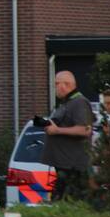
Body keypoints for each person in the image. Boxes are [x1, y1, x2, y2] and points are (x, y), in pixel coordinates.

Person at [41, 71, 93, 202]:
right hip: (63, 166)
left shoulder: (79, 102)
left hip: (73, 168)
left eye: (56, 84)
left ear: (66, 85)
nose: (55, 87)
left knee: (70, 202)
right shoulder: (66, 103)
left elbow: (85, 129)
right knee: (59, 201)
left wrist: (57, 130)